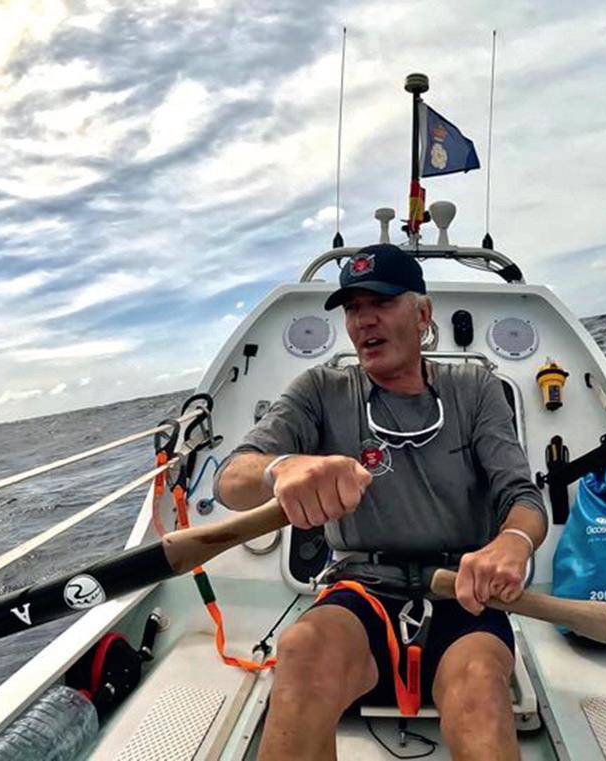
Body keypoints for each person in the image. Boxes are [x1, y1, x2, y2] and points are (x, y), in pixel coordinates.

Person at [214, 243, 546, 761]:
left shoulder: (474, 388)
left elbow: (523, 497)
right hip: (360, 593)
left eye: (383, 303)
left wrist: (513, 542)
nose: (364, 320)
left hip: (462, 596)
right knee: (300, 651)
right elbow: (231, 479)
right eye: (353, 308)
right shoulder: (320, 389)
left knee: (482, 686)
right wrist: (282, 468)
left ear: (423, 315)